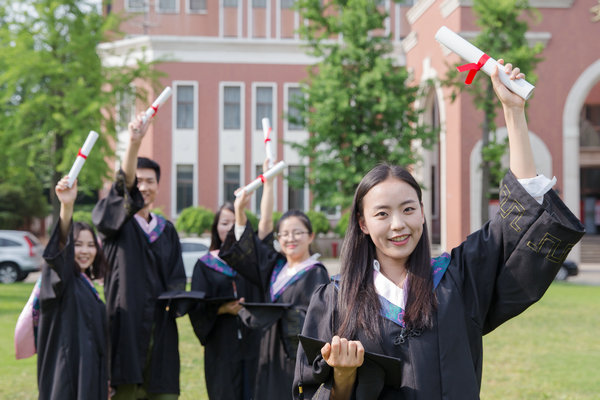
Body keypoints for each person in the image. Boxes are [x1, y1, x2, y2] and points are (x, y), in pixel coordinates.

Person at [292, 61, 586, 400]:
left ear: (421, 213)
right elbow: (310, 392)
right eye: (382, 214)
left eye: (408, 209)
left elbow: (516, 220)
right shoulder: (335, 300)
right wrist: (342, 377)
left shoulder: (455, 279)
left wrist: (513, 111)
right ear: (363, 224)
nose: (398, 225)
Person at [219, 160, 331, 400]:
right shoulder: (275, 267)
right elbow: (262, 231)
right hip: (266, 352)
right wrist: (243, 209)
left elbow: (318, 322)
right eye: (285, 234)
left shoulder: (316, 272)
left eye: (298, 233)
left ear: (310, 236)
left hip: (294, 356)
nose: (290, 239)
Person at [93, 113, 186, 399]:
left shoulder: (167, 230)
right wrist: (134, 144)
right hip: (125, 325)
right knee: (126, 390)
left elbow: (177, 278)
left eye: (150, 181)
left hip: (161, 330)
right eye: (139, 182)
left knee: (162, 390)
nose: (144, 187)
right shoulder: (119, 226)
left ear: (158, 186)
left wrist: (177, 302)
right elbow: (122, 188)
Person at [36, 176, 108, 399]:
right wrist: (67, 207)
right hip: (65, 377)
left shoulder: (89, 287)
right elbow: (59, 256)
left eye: (90, 245)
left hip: (90, 378)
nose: (85, 251)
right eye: (77, 245)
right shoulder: (60, 280)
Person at [188, 202, 262, 400]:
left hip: (252, 343)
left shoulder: (253, 264)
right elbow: (195, 306)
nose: (229, 228)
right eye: (224, 223)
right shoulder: (205, 265)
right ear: (215, 228)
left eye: (234, 223)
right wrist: (221, 310)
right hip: (221, 344)